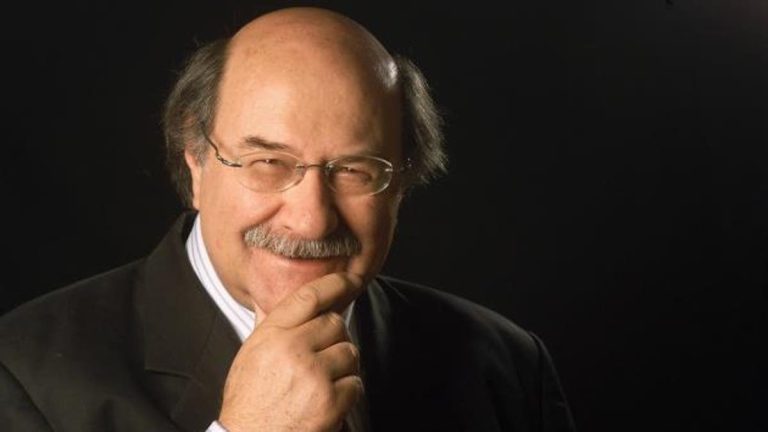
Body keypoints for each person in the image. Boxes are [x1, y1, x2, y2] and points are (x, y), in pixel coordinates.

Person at [0, 7, 576, 432]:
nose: (311, 220)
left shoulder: (506, 367)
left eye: (354, 169)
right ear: (196, 161)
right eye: (268, 163)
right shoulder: (23, 375)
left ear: (401, 182)